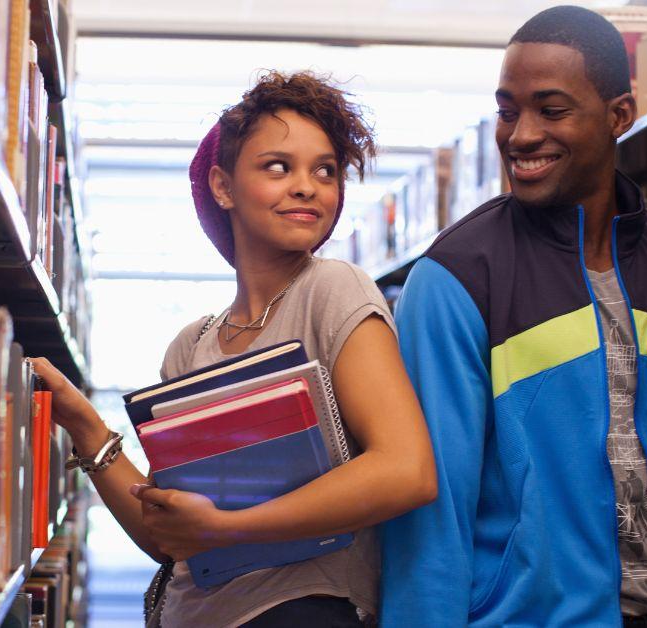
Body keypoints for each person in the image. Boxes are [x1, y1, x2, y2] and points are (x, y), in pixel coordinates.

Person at [30, 71, 437, 627]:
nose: (306, 185)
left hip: (301, 614)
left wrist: (229, 528)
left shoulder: (333, 290)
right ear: (223, 187)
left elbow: (406, 470)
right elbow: (171, 540)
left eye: (326, 170)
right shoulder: (190, 346)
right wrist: (86, 428)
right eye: (278, 166)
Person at [381, 7, 647, 628]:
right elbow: (429, 529)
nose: (519, 136)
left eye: (551, 109)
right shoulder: (456, 277)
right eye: (508, 110)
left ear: (618, 116)